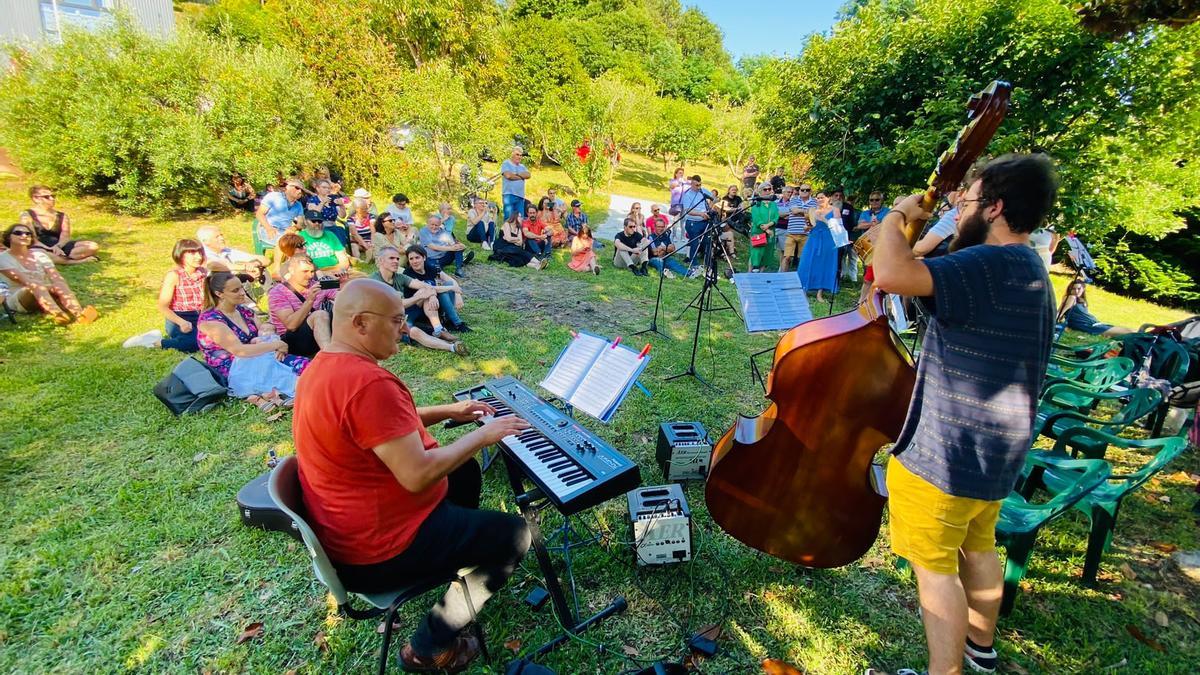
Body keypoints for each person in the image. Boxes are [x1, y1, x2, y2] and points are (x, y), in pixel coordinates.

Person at [871, 154, 1059, 675]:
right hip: (996, 454)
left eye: (969, 199)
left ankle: (945, 671)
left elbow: (889, 273)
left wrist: (894, 216)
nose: (959, 206)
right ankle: (981, 648)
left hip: (946, 454)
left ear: (995, 207)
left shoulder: (990, 264)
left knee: (935, 570)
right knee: (978, 550)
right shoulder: (1027, 268)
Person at [292, 278, 530, 672]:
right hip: (378, 551)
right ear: (362, 323)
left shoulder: (326, 365)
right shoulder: (368, 382)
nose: (405, 329)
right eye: (397, 320)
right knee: (515, 535)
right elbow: (418, 476)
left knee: (464, 472)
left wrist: (446, 412)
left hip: (348, 530)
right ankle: (427, 646)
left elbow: (377, 426)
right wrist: (484, 435)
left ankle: (456, 561)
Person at [198, 271, 309, 405]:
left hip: (260, 356)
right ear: (219, 294)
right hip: (235, 368)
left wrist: (272, 339)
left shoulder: (243, 310)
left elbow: (264, 331)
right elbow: (239, 350)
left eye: (241, 287)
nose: (242, 292)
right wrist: (276, 345)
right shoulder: (210, 320)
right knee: (298, 378)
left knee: (308, 367)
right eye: (235, 290)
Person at [371, 246, 467, 355]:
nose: (396, 261)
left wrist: (442, 290)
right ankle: (452, 347)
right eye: (391, 258)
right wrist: (419, 296)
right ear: (381, 260)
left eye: (397, 259)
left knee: (424, 292)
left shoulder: (399, 277)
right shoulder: (375, 282)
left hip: (404, 315)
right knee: (415, 331)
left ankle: (438, 329)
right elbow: (395, 305)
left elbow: (425, 286)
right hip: (388, 322)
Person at [0, 223, 96, 325]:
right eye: (18, 233)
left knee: (59, 284)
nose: (24, 236)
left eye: (28, 234)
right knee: (36, 285)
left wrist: (58, 288)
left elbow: (56, 277)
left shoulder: (40, 255)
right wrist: (50, 288)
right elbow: (26, 281)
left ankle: (79, 313)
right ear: (9, 237)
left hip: (45, 291)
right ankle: (58, 314)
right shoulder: (3, 258)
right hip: (19, 298)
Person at [123, 239, 209, 351]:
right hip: (180, 317)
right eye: (192, 253)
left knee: (215, 338)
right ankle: (154, 342)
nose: (198, 257)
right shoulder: (174, 275)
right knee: (194, 343)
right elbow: (162, 306)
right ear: (181, 255)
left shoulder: (204, 273)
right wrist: (181, 323)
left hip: (201, 315)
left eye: (200, 252)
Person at [267, 257, 334, 358]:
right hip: (291, 341)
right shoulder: (277, 292)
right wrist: (310, 301)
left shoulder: (318, 284)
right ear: (291, 270)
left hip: (314, 334)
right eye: (305, 271)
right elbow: (291, 325)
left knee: (341, 308)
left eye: (312, 271)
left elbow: (343, 298)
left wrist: (344, 284)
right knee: (319, 315)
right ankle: (330, 357)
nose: (310, 275)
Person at [19, 185, 100, 265]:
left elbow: (65, 237)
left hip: (59, 246)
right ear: (36, 198)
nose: (52, 199)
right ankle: (73, 261)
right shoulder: (27, 215)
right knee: (38, 254)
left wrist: (58, 246)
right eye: (46, 197)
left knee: (93, 246)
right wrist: (47, 248)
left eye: (53, 196)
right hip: (39, 246)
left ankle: (60, 257)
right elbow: (31, 238)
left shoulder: (62, 216)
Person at [403, 245, 470, 332]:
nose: (414, 261)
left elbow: (451, 281)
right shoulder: (408, 273)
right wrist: (451, 288)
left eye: (417, 257)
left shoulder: (430, 267)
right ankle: (457, 323)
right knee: (442, 289)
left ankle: (448, 319)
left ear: (424, 257)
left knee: (447, 284)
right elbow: (427, 288)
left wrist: (457, 294)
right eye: (411, 259)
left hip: (434, 305)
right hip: (417, 307)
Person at [796, 192, 841, 304]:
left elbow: (838, 227)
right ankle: (804, 290)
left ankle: (819, 293)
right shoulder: (812, 210)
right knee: (806, 262)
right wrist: (807, 227)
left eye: (822, 197)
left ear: (828, 198)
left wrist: (823, 219)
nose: (820, 199)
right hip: (814, 238)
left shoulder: (835, 210)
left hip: (828, 239)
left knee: (824, 264)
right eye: (818, 198)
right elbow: (809, 227)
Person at [1057, 279, 1133, 336]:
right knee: (1128, 332)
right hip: (1088, 326)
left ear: (1083, 289)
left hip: (1095, 323)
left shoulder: (1081, 300)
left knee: (1129, 330)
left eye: (1079, 288)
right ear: (1070, 289)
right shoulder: (1071, 298)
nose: (1076, 291)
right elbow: (1059, 312)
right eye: (1073, 289)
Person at [196, 225, 269, 281]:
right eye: (217, 237)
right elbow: (216, 265)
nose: (222, 238)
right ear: (206, 241)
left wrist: (254, 264)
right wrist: (245, 268)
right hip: (215, 288)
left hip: (232, 283)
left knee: (261, 268)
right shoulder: (201, 254)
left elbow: (265, 260)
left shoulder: (227, 251)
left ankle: (273, 295)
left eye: (221, 235)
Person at [777, 183, 818, 273]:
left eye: (807, 190)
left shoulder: (814, 201)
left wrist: (802, 211)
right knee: (787, 256)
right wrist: (807, 211)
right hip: (791, 233)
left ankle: (800, 278)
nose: (804, 192)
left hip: (806, 234)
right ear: (799, 191)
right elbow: (795, 211)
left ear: (810, 191)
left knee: (802, 258)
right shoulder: (794, 200)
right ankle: (782, 276)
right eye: (802, 190)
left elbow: (813, 215)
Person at [256, 177, 306, 247]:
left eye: (302, 190)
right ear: (287, 187)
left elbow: (301, 223)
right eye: (297, 188)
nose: (300, 191)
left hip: (285, 232)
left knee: (303, 243)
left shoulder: (298, 205)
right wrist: (269, 228)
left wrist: (294, 227)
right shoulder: (273, 196)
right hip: (267, 229)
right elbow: (259, 214)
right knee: (286, 243)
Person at [678, 175, 714, 272]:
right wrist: (700, 214)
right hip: (692, 222)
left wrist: (709, 208)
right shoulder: (687, 195)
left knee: (708, 242)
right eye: (696, 185)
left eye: (700, 185)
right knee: (695, 242)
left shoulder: (703, 191)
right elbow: (687, 211)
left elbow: (713, 198)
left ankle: (708, 264)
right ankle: (694, 264)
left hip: (705, 221)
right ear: (691, 184)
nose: (698, 187)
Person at [748, 184, 779, 272]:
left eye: (769, 189)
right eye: (765, 189)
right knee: (755, 255)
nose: (768, 191)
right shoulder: (756, 203)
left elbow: (776, 216)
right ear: (760, 191)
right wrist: (765, 228)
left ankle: (760, 276)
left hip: (770, 234)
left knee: (766, 255)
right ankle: (749, 275)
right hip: (758, 232)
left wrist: (769, 225)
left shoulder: (773, 204)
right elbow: (757, 218)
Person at [831, 187, 859, 281]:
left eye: (840, 196)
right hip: (829, 236)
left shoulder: (848, 207)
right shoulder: (827, 207)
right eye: (836, 195)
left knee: (840, 257)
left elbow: (851, 222)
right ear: (832, 197)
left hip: (844, 236)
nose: (838, 197)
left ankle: (839, 278)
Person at [501, 147, 531, 221]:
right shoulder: (506, 163)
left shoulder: (522, 166)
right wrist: (521, 177)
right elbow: (508, 176)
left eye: (521, 155)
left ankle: (518, 233)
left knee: (520, 219)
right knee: (509, 218)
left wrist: (515, 175)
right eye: (517, 154)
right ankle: (507, 232)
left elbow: (528, 175)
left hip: (520, 196)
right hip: (509, 195)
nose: (519, 157)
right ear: (512, 154)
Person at [345, 190, 375, 263]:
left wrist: (372, 243)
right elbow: (354, 234)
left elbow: (373, 231)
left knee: (372, 248)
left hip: (369, 240)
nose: (366, 210)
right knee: (353, 246)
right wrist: (364, 244)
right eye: (364, 209)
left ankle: (368, 260)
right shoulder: (351, 219)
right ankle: (358, 260)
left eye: (366, 208)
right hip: (357, 241)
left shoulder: (371, 216)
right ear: (357, 210)